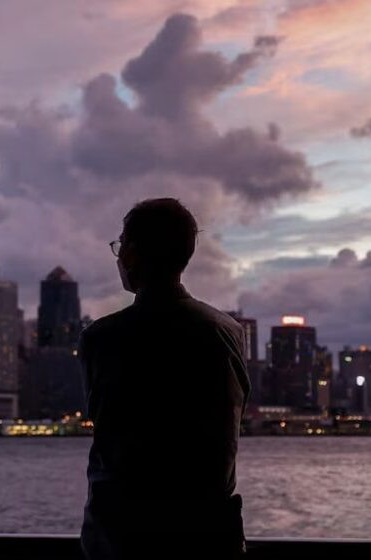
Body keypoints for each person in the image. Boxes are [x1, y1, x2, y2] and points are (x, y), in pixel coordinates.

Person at [78, 198, 250, 559]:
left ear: (133, 253)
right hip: (208, 539)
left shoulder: (103, 337)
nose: (118, 256)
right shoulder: (228, 331)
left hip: (123, 540)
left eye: (120, 245)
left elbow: (106, 425)